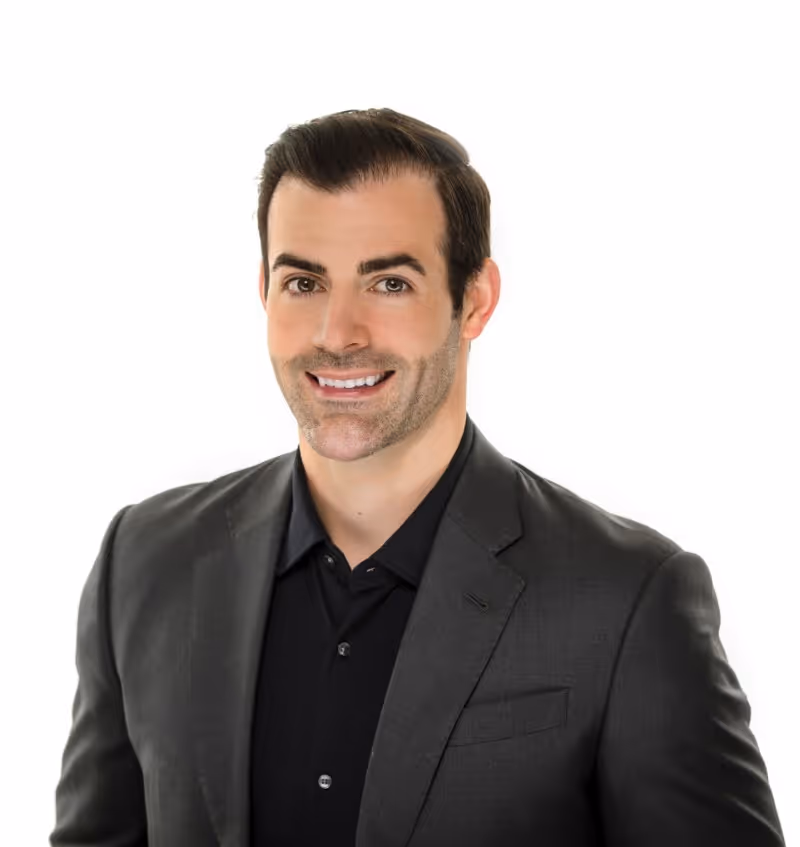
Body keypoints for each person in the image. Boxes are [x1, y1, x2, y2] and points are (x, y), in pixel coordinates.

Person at [50, 107, 785, 847]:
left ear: (475, 300)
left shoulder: (628, 599)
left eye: (390, 283)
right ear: (264, 293)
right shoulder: (144, 561)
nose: (338, 333)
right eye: (304, 281)